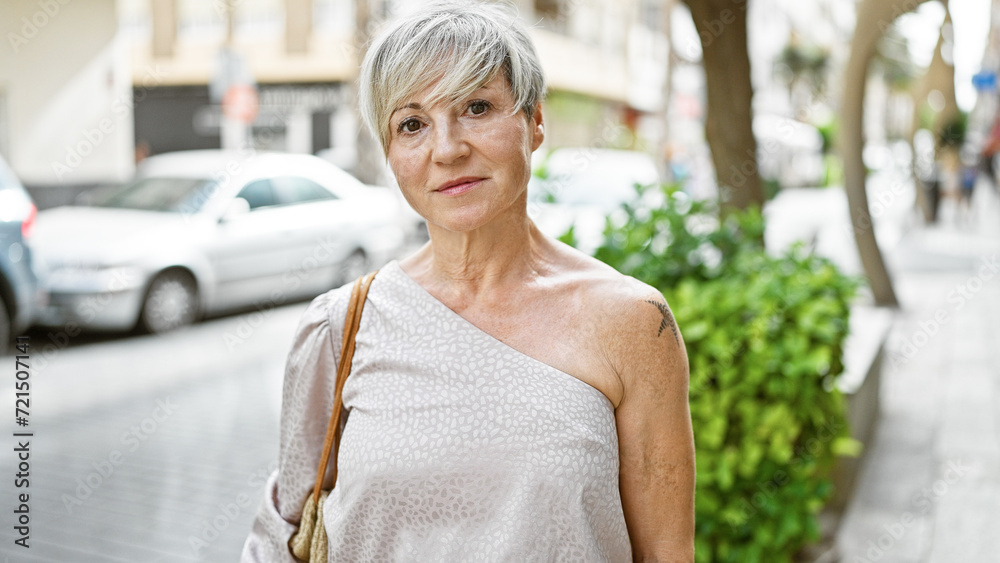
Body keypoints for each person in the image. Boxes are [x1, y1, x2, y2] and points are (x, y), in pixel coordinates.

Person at [242, 2, 695, 561]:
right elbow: (282, 536)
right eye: (412, 124)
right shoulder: (340, 326)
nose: (447, 148)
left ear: (534, 122)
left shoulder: (632, 323)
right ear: (390, 153)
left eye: (477, 107)